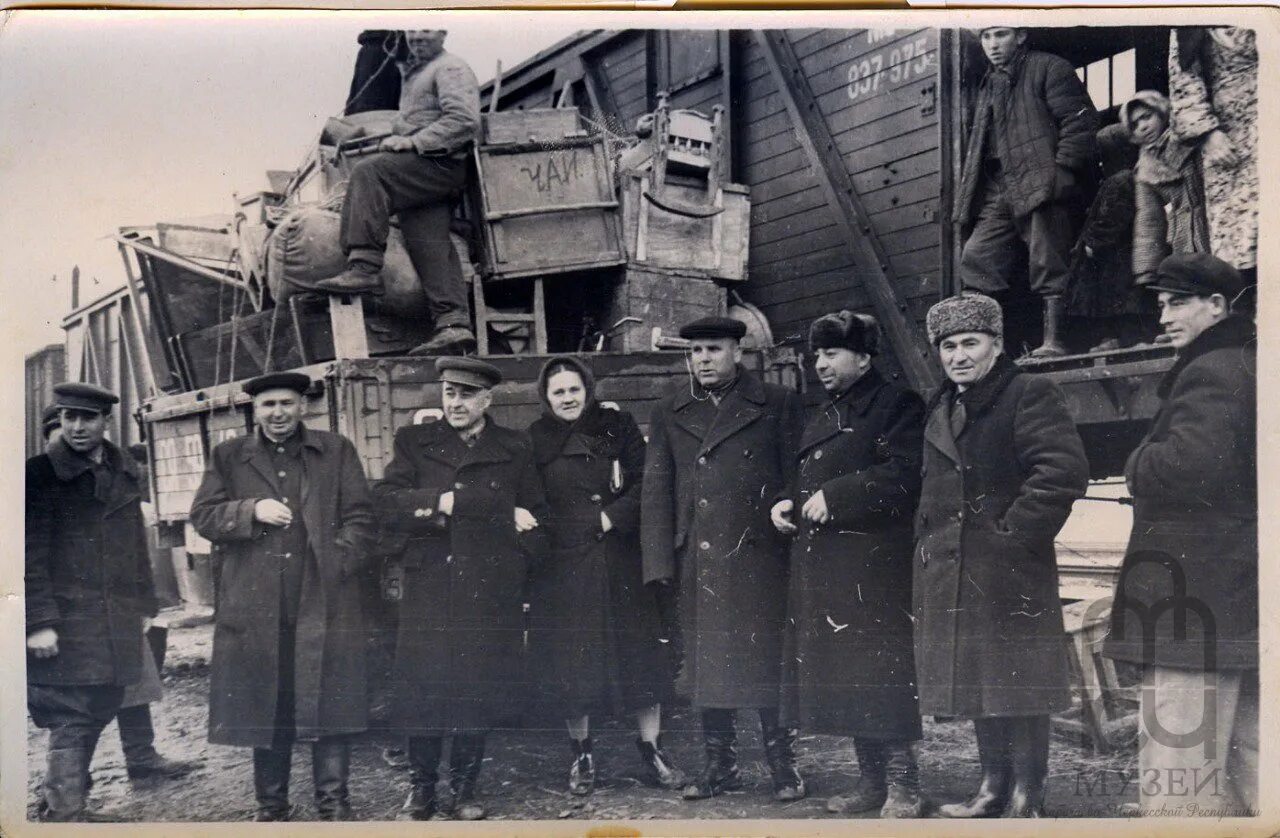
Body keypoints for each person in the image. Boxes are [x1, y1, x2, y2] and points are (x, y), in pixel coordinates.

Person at [914, 294, 1088, 818]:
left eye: (970, 342)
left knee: (1019, 682)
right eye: (948, 346)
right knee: (979, 678)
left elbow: (1060, 472)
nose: (959, 356)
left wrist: (1012, 537)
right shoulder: (942, 404)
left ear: (996, 344)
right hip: (955, 566)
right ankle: (992, 788)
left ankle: (1027, 796)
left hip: (1008, 567)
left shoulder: (1027, 392)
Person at [1103, 253, 1257, 815]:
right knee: (1249, 760)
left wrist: (1137, 461)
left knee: (1180, 767)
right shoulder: (1250, 362)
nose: (1164, 317)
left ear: (1216, 305)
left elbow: (1190, 465)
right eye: (1161, 305)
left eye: (1176, 303)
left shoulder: (1211, 370)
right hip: (1233, 593)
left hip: (1192, 599)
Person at [190, 372, 376, 822]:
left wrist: (336, 562)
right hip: (258, 607)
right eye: (268, 405)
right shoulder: (230, 456)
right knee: (267, 703)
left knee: (331, 701)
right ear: (254, 410)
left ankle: (334, 804)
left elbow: (362, 517)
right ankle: (271, 808)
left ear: (303, 406)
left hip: (324, 603)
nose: (278, 413)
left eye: (287, 403)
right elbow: (202, 516)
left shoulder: (335, 450)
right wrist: (249, 510)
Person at [374, 357, 549, 821]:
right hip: (431, 584)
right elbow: (386, 503)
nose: (455, 403)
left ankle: (465, 790)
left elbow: (536, 514)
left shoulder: (513, 446)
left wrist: (516, 556)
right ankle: (421, 790)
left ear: (487, 400)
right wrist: (441, 502)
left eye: (467, 395)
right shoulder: (414, 441)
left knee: (476, 687)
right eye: (449, 393)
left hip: (487, 585)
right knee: (423, 690)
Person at [641, 316, 805, 802]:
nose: (703, 360)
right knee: (707, 663)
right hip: (700, 558)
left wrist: (789, 510)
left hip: (760, 556)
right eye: (695, 352)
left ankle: (783, 765)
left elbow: (797, 475)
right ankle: (721, 765)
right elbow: (657, 491)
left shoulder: (778, 403)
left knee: (766, 661)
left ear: (738, 351)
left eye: (713, 349)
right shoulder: (670, 410)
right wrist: (659, 564)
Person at [772, 312, 926, 818]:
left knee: (881, 674)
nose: (820, 364)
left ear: (863, 357)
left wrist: (837, 496)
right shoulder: (827, 409)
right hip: (831, 567)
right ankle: (872, 783)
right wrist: (788, 500)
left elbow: (905, 474)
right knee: (853, 676)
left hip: (873, 569)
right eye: (816, 355)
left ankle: (904, 786)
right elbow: (811, 474)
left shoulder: (895, 403)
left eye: (831, 353)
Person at [525, 356, 685, 795]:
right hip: (565, 564)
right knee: (573, 662)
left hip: (620, 556)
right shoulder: (535, 439)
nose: (568, 398)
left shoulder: (617, 425)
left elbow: (647, 481)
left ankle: (652, 750)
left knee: (641, 655)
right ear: (546, 398)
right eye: (558, 392)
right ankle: (582, 755)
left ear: (588, 390)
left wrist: (610, 518)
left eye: (574, 389)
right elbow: (531, 498)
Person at [26, 383, 158, 821]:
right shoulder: (38, 475)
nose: (77, 427)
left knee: (104, 702)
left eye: (88, 418)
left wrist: (144, 604)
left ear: (106, 421)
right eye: (69, 417)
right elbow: (25, 555)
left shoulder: (122, 472)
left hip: (116, 614)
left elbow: (135, 544)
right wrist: (37, 622)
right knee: (69, 711)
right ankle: (66, 814)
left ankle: (58, 802)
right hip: (66, 617)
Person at [317, 29, 480, 355]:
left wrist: (413, 142)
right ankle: (453, 323)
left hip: (440, 163)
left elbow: (464, 121)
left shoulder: (450, 68)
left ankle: (364, 266)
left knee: (369, 173)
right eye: (413, 32)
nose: (417, 38)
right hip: (431, 168)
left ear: (441, 34)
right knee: (425, 236)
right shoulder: (420, 75)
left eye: (425, 31)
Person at [955, 26, 1099, 358]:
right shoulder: (988, 83)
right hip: (1000, 187)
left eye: (1000, 34)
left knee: (1048, 259)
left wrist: (1060, 173)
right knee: (977, 259)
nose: (992, 44)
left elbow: (1080, 123)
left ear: (1020, 36)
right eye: (986, 37)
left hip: (1041, 182)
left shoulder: (1050, 68)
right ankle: (987, 351)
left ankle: (1055, 342)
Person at [1168, 28, 1257, 299]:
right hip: (1233, 138)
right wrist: (1207, 132)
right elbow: (1183, 78)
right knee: (1243, 237)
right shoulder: (1193, 21)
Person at [1063, 123, 1150, 352]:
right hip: (1124, 251)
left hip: (1117, 255)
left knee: (1120, 298)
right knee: (1121, 299)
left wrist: (1093, 242)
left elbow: (1112, 217)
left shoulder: (1119, 180)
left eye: (1104, 154)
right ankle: (1122, 339)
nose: (1101, 163)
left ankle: (1127, 339)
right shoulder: (1132, 176)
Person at [1127, 91, 1212, 289]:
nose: (1143, 126)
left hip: (1213, 226)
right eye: (1135, 125)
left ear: (1161, 112)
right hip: (1183, 239)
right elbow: (1148, 220)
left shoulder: (1192, 138)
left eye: (1147, 116)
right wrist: (1147, 269)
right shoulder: (1145, 169)